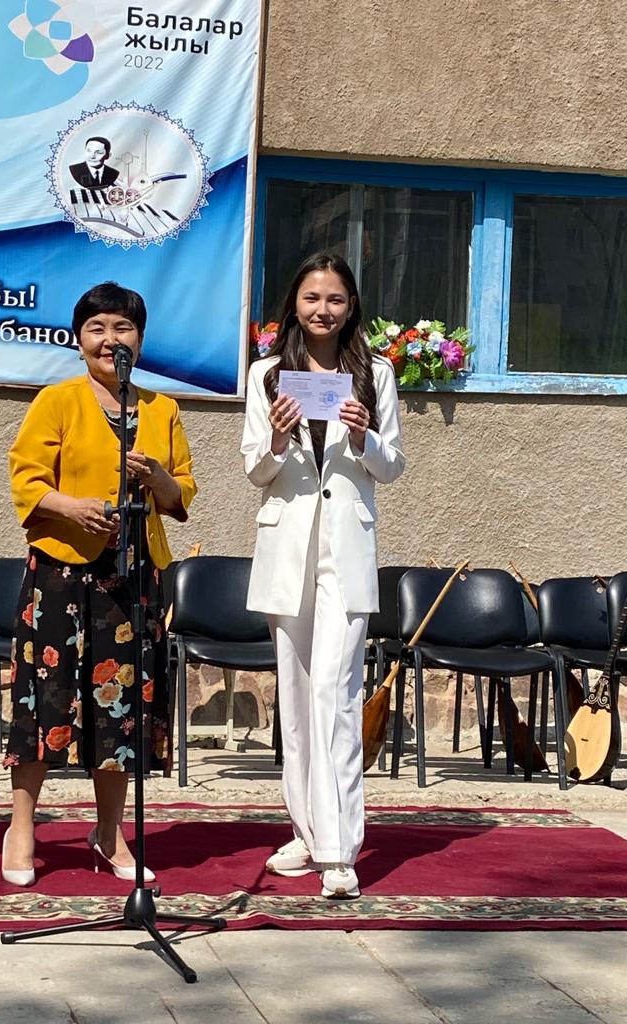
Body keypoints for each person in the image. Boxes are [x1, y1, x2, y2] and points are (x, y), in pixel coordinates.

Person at [1, 281, 196, 887]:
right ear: (79, 339)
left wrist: (159, 477)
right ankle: (22, 827)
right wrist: (72, 507)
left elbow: (182, 494)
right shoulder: (56, 401)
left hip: (133, 578)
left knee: (122, 708)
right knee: (46, 697)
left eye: (123, 327)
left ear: (141, 338)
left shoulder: (162, 409)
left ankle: (109, 834)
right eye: (97, 328)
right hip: (60, 574)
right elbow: (26, 480)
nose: (111, 339)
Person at [241, 252, 405, 900]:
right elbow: (255, 469)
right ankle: (307, 831)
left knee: (335, 695)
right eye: (312, 297)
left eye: (335, 298)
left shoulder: (374, 373)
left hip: (346, 552)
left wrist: (364, 438)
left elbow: (392, 466)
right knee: (297, 698)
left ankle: (339, 851)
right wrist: (279, 440)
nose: (323, 309)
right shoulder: (266, 374)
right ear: (295, 303)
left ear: (351, 306)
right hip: (288, 549)